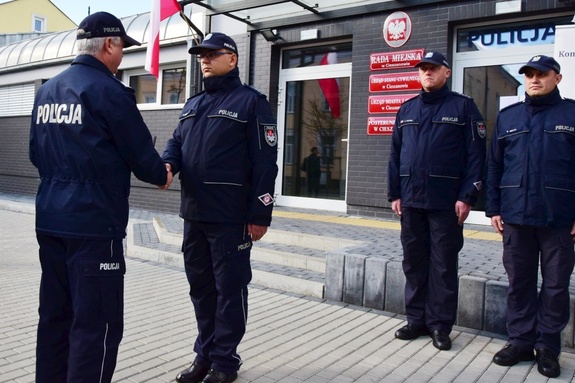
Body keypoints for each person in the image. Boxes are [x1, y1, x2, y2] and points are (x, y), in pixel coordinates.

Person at [28, 11, 172, 383]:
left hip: (50, 221)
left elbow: (34, 153)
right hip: (94, 227)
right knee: (96, 325)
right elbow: (145, 162)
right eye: (122, 46)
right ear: (109, 44)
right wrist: (164, 173)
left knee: (55, 319)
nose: (123, 55)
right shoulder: (109, 92)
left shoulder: (47, 91)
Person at [162, 32, 278, 383]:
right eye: (201, 56)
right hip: (194, 215)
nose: (205, 60)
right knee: (201, 289)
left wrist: (260, 214)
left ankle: (225, 362)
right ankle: (205, 355)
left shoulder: (251, 102)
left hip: (230, 219)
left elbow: (265, 162)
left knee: (230, 290)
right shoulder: (192, 104)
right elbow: (175, 144)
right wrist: (167, 164)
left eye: (212, 54)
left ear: (233, 59)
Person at [387, 51, 486, 351]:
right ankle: (416, 319)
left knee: (443, 266)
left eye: (433, 69)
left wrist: (467, 196)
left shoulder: (463, 107)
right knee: (414, 263)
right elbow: (395, 155)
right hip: (412, 202)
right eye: (423, 69)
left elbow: (476, 156)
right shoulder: (406, 109)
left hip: (446, 203)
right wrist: (394, 194)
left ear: (446, 72)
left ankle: (440, 326)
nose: (427, 73)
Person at [486, 55, 575, 378]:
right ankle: (521, 342)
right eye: (529, 75)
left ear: (558, 78)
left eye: (542, 74)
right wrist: (493, 208)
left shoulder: (572, 114)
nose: (534, 79)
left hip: (559, 220)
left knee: (554, 287)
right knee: (519, 284)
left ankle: (548, 349)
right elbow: (494, 165)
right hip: (516, 217)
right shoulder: (509, 118)